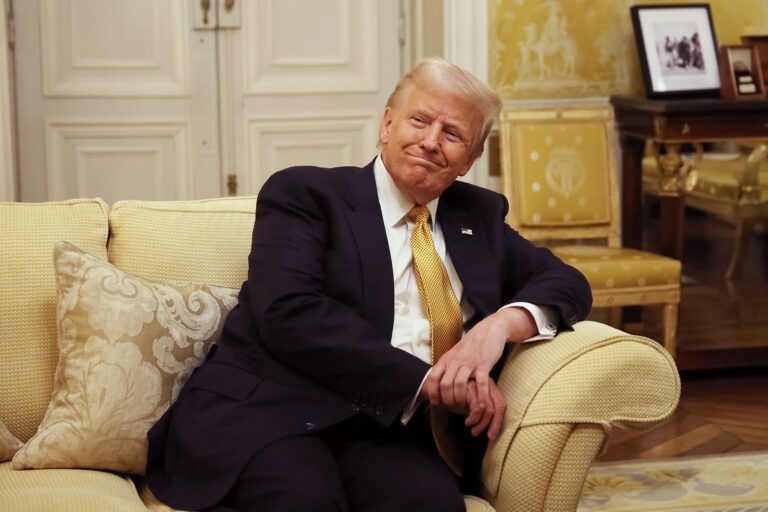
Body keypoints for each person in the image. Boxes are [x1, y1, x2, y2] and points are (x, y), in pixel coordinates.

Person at [145, 58, 592, 512]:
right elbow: (289, 312)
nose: (431, 141)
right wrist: (429, 382)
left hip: (385, 431)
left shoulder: (478, 217)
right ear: (387, 124)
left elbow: (566, 282)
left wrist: (496, 328)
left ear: (469, 161)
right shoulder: (306, 194)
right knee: (305, 503)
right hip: (273, 411)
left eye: (453, 134)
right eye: (420, 120)